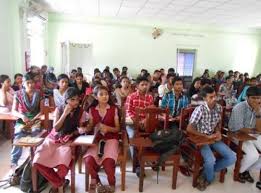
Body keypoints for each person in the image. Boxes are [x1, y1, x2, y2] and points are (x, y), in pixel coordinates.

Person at [33, 87, 87, 193]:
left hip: (70, 140)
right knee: (37, 160)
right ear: (66, 100)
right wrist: (65, 114)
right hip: (54, 138)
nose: (76, 102)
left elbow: (80, 129)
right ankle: (59, 183)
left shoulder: (81, 112)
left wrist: (78, 131)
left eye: (77, 99)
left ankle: (55, 186)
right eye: (72, 100)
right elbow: (56, 128)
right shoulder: (59, 109)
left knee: (63, 164)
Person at [187, 86, 236, 191]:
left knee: (232, 157)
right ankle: (209, 178)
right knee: (210, 160)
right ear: (205, 99)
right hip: (201, 139)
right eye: (211, 97)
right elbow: (189, 129)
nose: (214, 99)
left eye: (215, 96)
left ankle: (205, 173)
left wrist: (218, 132)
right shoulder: (200, 109)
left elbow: (218, 123)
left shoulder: (218, 107)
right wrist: (206, 136)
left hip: (213, 137)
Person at [84, 85, 120, 192]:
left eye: (106, 94)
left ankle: (111, 184)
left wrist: (107, 128)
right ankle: (97, 181)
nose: (105, 96)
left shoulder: (114, 109)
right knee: (88, 160)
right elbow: (90, 126)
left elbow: (117, 129)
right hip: (96, 139)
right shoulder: (92, 110)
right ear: (96, 97)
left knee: (108, 161)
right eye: (101, 94)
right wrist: (87, 128)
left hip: (111, 139)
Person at [229, 86, 261, 189]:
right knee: (254, 155)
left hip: (252, 134)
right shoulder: (239, 107)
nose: (257, 100)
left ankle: (246, 169)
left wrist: (258, 113)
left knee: (255, 156)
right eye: (254, 98)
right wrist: (255, 131)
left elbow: (259, 129)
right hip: (237, 134)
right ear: (247, 97)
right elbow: (239, 127)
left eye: (259, 98)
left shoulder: (259, 108)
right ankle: (239, 171)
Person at [11, 72, 43, 168]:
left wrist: (34, 119)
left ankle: (34, 158)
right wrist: (22, 116)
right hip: (22, 119)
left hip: (35, 119)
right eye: (28, 82)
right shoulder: (18, 94)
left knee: (35, 133)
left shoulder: (39, 93)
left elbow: (41, 111)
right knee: (19, 134)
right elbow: (13, 110)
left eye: (32, 82)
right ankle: (14, 160)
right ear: (23, 83)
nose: (31, 85)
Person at [125, 76, 153, 177]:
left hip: (145, 123)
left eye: (146, 84)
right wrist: (138, 122)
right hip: (132, 123)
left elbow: (150, 112)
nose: (145, 86)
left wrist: (145, 120)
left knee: (154, 136)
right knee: (133, 138)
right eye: (142, 85)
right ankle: (137, 165)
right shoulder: (131, 96)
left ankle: (150, 159)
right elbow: (128, 112)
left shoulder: (150, 97)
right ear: (137, 86)